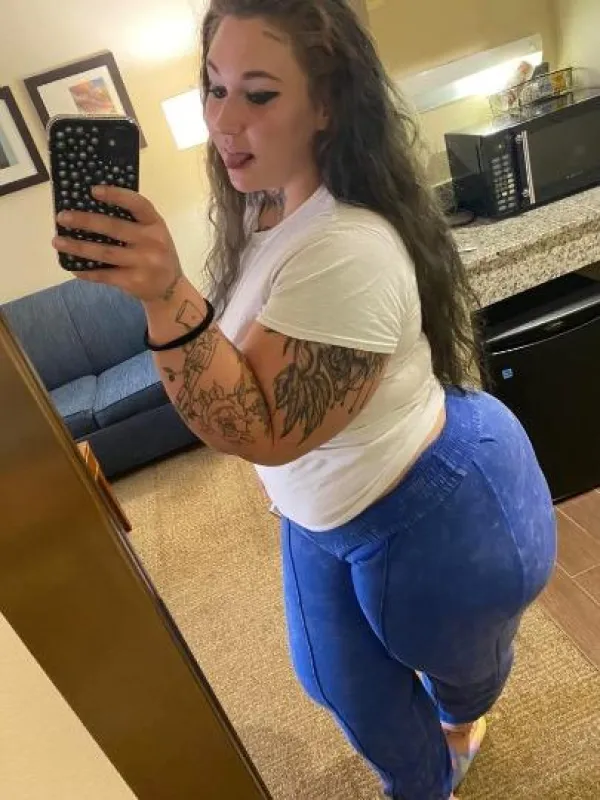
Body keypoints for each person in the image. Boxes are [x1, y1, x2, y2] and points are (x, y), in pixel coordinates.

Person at [51, 1, 557, 797]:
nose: (224, 121)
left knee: (454, 666)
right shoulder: (264, 203)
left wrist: (163, 294)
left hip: (425, 500)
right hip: (321, 507)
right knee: (339, 686)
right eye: (215, 87)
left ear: (327, 104)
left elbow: (258, 428)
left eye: (259, 94)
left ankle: (463, 723)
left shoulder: (349, 247)